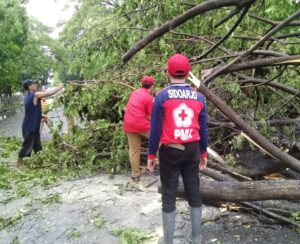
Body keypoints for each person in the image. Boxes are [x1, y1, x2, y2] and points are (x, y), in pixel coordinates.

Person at [147, 54, 208, 244]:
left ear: (168, 72)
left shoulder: (162, 96)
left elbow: (155, 129)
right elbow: (204, 128)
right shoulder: (199, 97)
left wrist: (150, 154)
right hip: (193, 149)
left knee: (169, 194)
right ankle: (196, 239)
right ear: (188, 73)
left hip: (171, 151)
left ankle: (168, 241)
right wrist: (204, 153)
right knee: (193, 190)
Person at [16, 80, 64, 169]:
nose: (36, 85)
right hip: (30, 127)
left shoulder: (27, 97)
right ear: (30, 87)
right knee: (27, 147)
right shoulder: (35, 95)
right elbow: (48, 93)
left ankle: (41, 163)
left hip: (31, 126)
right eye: (34, 84)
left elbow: (31, 111)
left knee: (38, 147)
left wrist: (41, 116)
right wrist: (60, 87)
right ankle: (18, 164)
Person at [123, 76, 155, 182]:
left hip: (128, 124)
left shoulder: (134, 93)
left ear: (142, 85)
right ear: (152, 86)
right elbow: (151, 116)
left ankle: (135, 174)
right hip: (141, 124)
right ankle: (157, 163)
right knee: (159, 140)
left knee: (134, 150)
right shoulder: (148, 97)